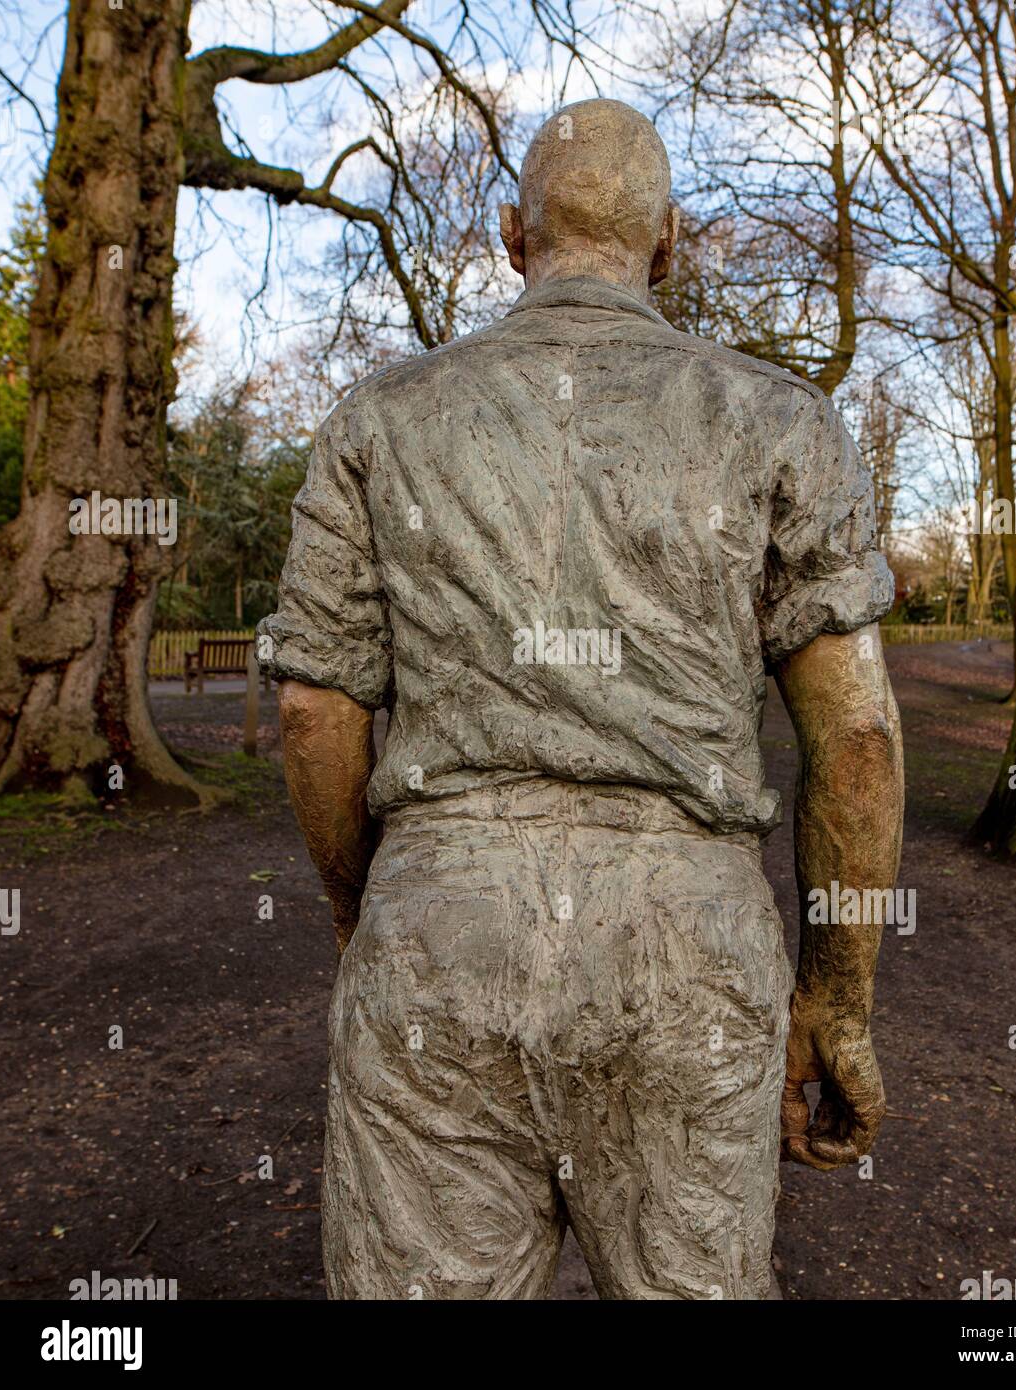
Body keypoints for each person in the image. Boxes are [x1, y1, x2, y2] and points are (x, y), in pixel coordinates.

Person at [258, 98, 904, 1300]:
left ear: (512, 236)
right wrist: (837, 996)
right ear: (673, 243)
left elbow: (312, 712)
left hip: (442, 931)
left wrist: (362, 909)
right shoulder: (780, 422)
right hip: (688, 948)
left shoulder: (380, 420)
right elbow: (857, 734)